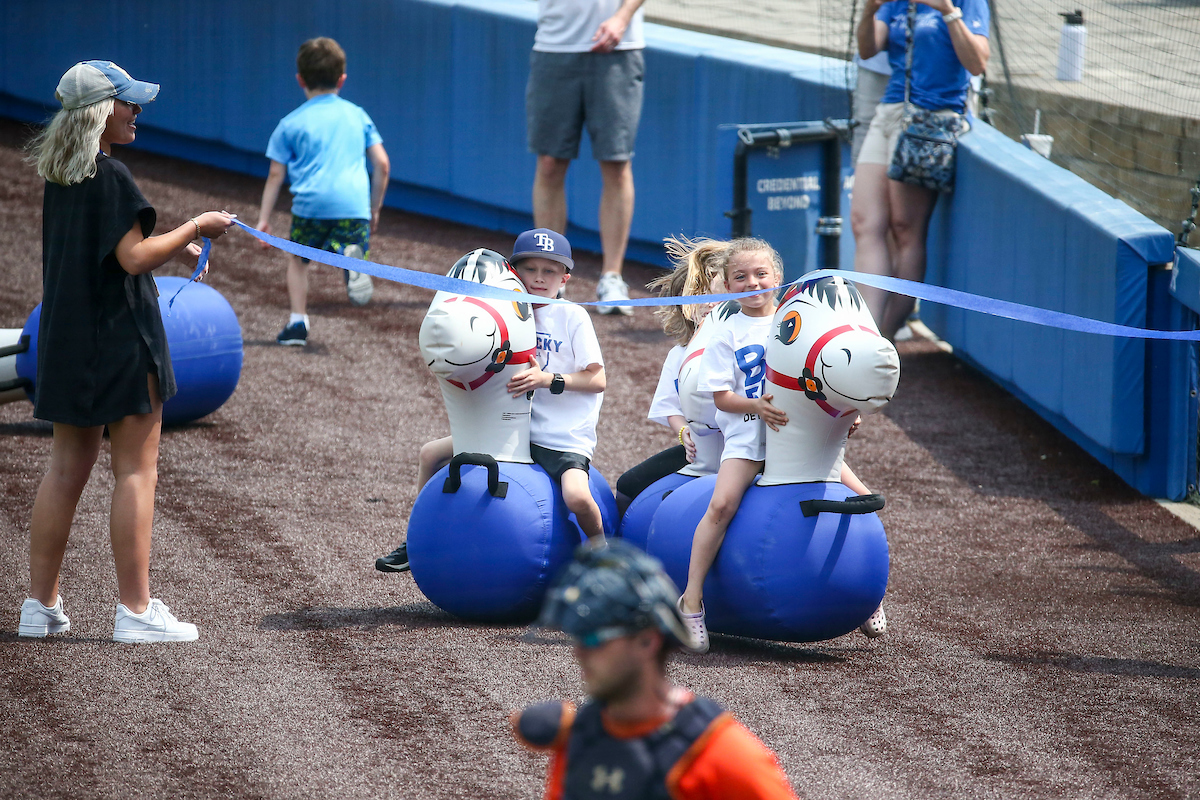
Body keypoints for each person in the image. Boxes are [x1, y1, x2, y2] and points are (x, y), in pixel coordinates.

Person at [19, 60, 234, 642]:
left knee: (64, 469)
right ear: (100, 112)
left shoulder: (62, 173)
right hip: (120, 340)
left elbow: (116, 248)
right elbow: (134, 259)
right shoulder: (112, 175)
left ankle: (39, 606)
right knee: (136, 470)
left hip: (67, 338)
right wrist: (196, 227)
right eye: (128, 102)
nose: (137, 111)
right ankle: (136, 612)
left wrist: (172, 244)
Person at [676, 239, 872, 653]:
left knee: (861, 497)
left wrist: (847, 412)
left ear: (778, 278)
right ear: (728, 284)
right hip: (749, 436)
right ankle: (691, 599)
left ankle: (868, 595)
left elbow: (830, 376)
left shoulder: (801, 319)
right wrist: (757, 407)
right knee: (721, 506)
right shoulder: (726, 331)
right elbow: (721, 398)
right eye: (741, 277)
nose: (752, 283)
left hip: (800, 436)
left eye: (761, 274)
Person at [375, 229, 606, 573]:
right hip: (511, 425)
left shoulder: (573, 317)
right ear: (513, 273)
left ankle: (602, 550)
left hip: (561, 436)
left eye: (550, 271)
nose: (539, 279)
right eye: (530, 269)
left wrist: (547, 379)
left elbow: (598, 380)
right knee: (429, 454)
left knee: (577, 496)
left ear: (565, 278)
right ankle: (415, 540)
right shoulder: (508, 309)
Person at [513, 540, 800, 799]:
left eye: (594, 639)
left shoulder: (723, 754)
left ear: (648, 641)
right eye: (578, 638)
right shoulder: (579, 740)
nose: (580, 653)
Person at [851, 0, 989, 341]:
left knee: (905, 229)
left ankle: (886, 336)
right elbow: (868, 49)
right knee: (865, 221)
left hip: (930, 119)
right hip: (889, 110)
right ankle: (864, 332)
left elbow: (977, 63)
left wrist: (947, 11)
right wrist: (869, 10)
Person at [255, 36, 391, 346]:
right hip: (353, 207)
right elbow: (382, 164)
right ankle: (351, 256)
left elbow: (276, 174)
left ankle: (297, 323)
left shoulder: (290, 123)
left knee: (298, 260)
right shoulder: (357, 115)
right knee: (351, 241)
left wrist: (263, 219)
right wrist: (374, 209)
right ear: (342, 79)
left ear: (300, 79)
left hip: (311, 207)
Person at [526, 0, 646, 315]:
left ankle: (612, 278)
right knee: (549, 164)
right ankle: (549, 276)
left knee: (617, 164)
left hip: (619, 49)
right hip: (554, 46)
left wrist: (622, 17)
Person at [614, 236, 726, 514]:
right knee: (627, 485)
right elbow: (670, 408)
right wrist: (683, 432)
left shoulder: (755, 345)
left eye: (717, 295)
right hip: (701, 452)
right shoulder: (679, 354)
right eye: (699, 296)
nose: (709, 304)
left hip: (747, 452)